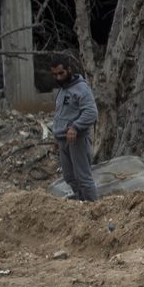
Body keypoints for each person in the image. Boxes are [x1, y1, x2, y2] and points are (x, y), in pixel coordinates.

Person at [51, 55, 99, 203]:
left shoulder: (81, 88)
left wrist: (75, 127)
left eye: (61, 73)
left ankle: (94, 208)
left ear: (69, 70)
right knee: (69, 176)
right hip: (63, 139)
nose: (58, 78)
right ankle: (82, 203)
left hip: (77, 139)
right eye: (55, 74)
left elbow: (91, 113)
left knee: (83, 177)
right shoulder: (62, 90)